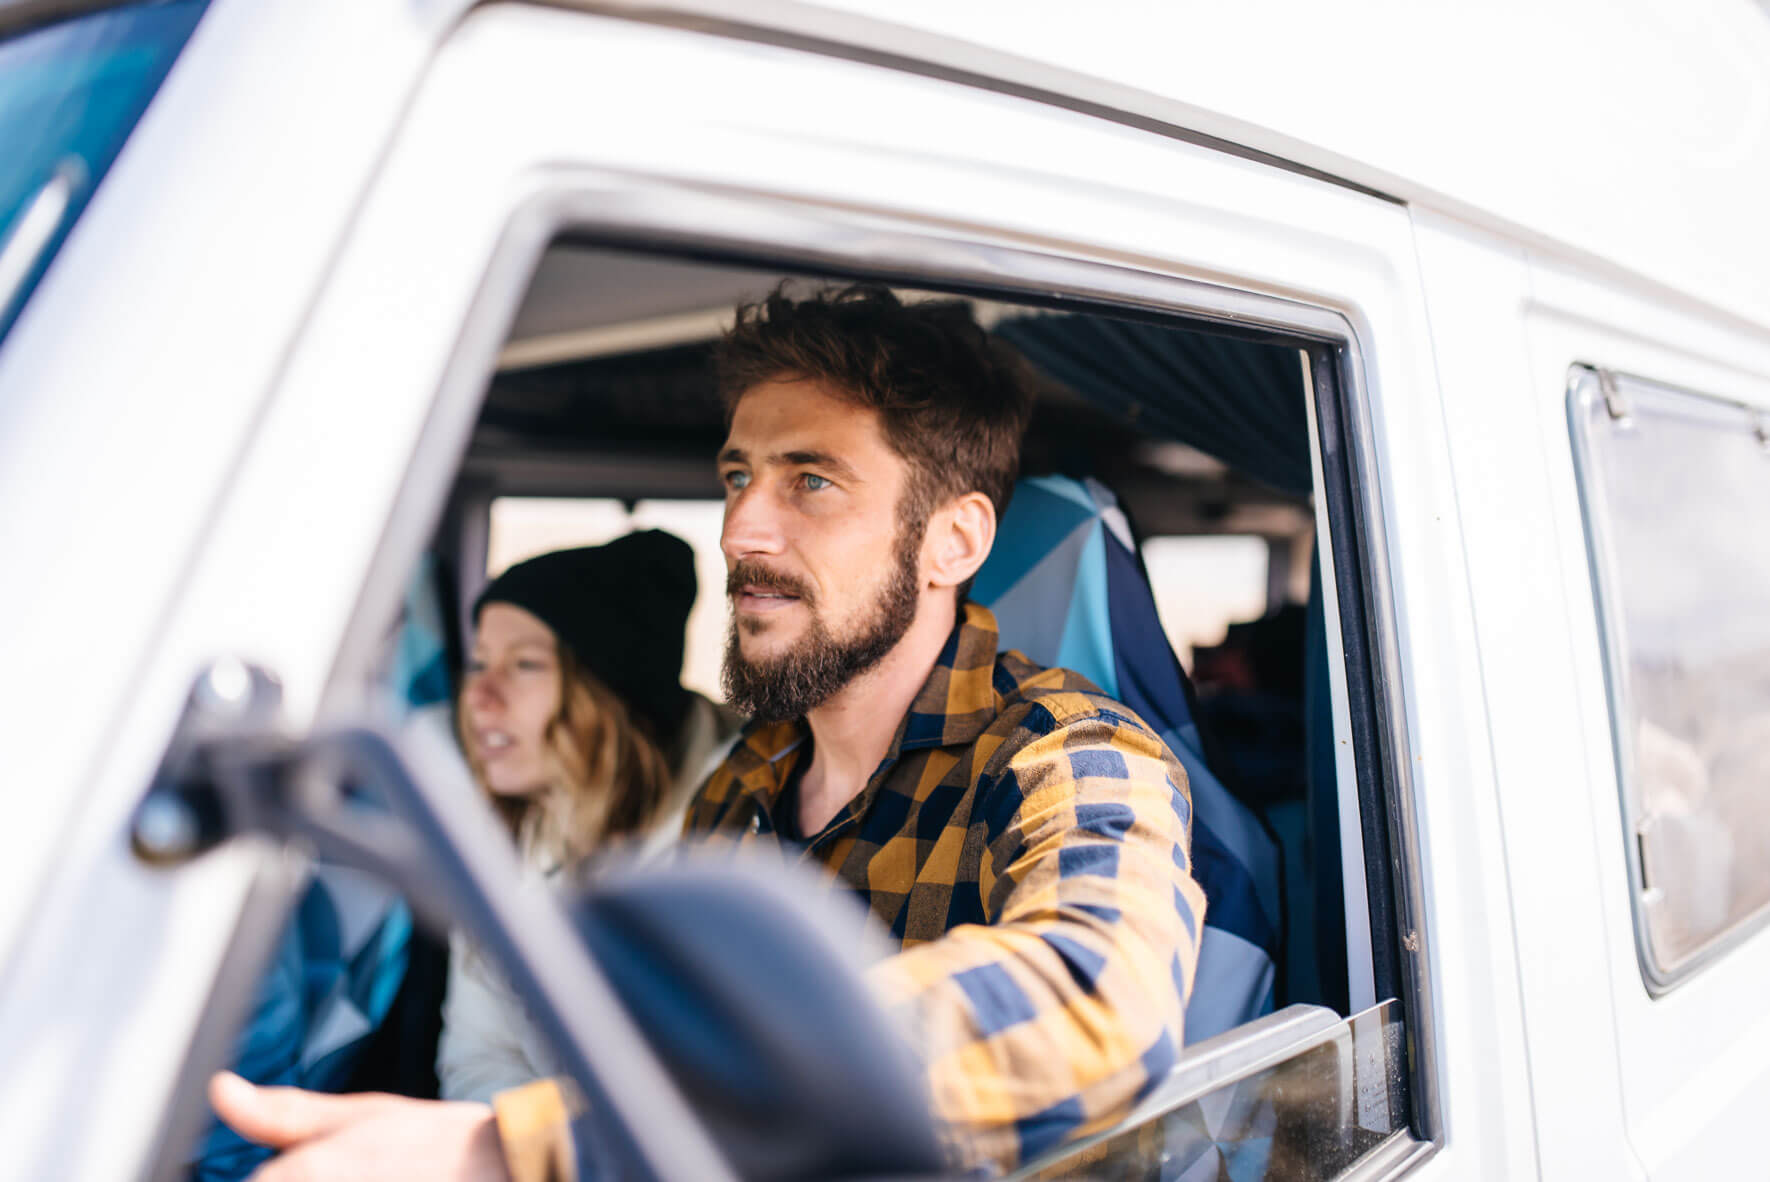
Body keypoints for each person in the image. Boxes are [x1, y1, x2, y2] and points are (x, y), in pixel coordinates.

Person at [210, 283, 1205, 1180]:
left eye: (810, 481)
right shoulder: (745, 783)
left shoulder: (1069, 755)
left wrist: (511, 1152)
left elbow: (1092, 998)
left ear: (955, 541)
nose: (740, 533)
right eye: (738, 479)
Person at [440, 533, 742, 1102]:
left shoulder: (744, 822)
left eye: (523, 664)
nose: (479, 695)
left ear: (607, 690)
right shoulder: (500, 838)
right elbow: (479, 1061)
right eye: (478, 663)